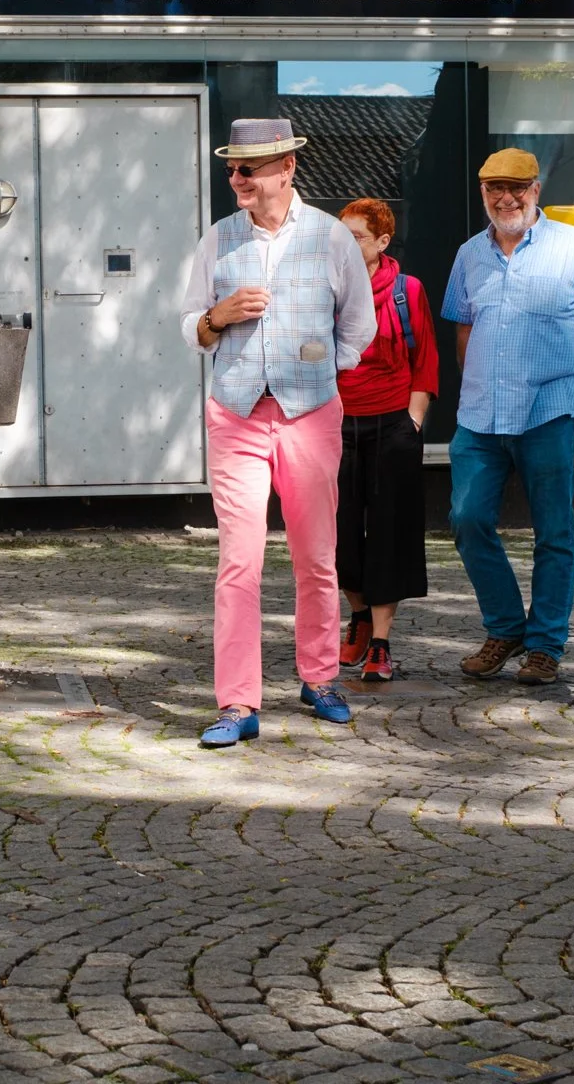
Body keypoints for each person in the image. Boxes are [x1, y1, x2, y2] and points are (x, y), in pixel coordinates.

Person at [181, 119, 376, 747]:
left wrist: (322, 367)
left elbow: (360, 326)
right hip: (235, 414)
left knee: (316, 557)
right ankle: (238, 703)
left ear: (286, 168)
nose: (235, 178)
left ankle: (319, 678)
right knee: (239, 561)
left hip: (311, 414)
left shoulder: (330, 238)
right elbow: (189, 327)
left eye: (248, 168)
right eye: (232, 168)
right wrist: (217, 317)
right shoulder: (218, 239)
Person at [442, 148, 574, 687]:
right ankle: (507, 626)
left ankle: (545, 646)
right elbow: (463, 330)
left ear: (537, 189)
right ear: (482, 193)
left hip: (549, 411)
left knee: (554, 532)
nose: (506, 198)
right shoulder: (469, 254)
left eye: (518, 187)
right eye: (494, 189)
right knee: (466, 519)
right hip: (480, 416)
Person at [334, 199, 438, 682]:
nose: (347, 245)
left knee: (389, 538)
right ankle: (356, 615)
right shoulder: (325, 288)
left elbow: (427, 361)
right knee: (338, 535)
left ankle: (379, 642)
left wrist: (414, 419)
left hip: (393, 423)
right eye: (342, 235)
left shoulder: (406, 290)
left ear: (381, 242)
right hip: (335, 425)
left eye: (356, 236)